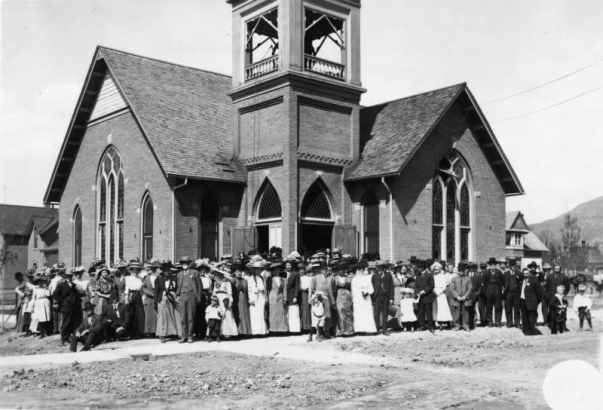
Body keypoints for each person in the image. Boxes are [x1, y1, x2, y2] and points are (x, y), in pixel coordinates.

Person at [176, 256, 202, 343]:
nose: (185, 264)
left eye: (186, 263)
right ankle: (184, 336)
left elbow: (199, 285)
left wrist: (199, 297)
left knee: (191, 316)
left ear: (189, 264)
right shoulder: (179, 274)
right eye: (183, 263)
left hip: (191, 295)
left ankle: (190, 336)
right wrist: (177, 296)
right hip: (182, 295)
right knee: (183, 317)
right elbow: (178, 286)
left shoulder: (195, 273)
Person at [53, 268, 82, 345]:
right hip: (66, 307)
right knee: (66, 322)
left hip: (73, 307)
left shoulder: (73, 285)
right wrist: (62, 302)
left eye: (71, 276)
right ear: (65, 276)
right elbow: (55, 294)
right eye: (68, 276)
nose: (70, 277)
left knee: (73, 322)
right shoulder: (61, 285)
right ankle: (64, 339)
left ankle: (71, 337)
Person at [155, 261, 181, 343]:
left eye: (168, 270)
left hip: (172, 298)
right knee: (163, 316)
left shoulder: (174, 278)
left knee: (174, 315)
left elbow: (177, 288)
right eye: (165, 270)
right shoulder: (159, 279)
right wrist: (155, 302)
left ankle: (175, 333)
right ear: (162, 270)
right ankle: (162, 335)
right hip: (162, 298)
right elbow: (156, 291)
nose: (166, 272)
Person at [311, 263, 336, 338]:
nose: (324, 271)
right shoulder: (315, 278)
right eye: (323, 269)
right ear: (320, 270)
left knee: (327, 315)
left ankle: (327, 332)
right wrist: (316, 296)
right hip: (319, 299)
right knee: (318, 315)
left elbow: (333, 289)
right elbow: (312, 288)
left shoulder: (331, 278)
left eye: (326, 269)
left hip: (327, 298)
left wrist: (332, 300)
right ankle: (318, 332)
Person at [351, 262, 377, 334]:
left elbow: (371, 289)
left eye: (362, 270)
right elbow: (353, 290)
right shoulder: (355, 279)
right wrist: (353, 299)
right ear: (358, 270)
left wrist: (367, 292)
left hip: (366, 298)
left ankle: (368, 329)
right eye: (360, 270)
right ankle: (359, 330)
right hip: (358, 298)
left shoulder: (367, 278)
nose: (361, 271)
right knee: (358, 313)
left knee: (366, 313)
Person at [371, 261, 394, 336]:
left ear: (384, 268)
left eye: (381, 268)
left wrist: (391, 298)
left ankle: (384, 330)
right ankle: (376, 329)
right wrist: (372, 298)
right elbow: (372, 287)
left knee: (385, 313)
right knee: (376, 314)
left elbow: (391, 287)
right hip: (377, 296)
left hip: (385, 297)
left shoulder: (388, 275)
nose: (380, 269)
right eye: (379, 268)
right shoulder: (374, 276)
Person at [247, 260, 269, 336]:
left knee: (261, 314)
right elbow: (249, 290)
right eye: (256, 269)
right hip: (254, 297)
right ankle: (255, 331)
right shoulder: (250, 278)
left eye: (259, 269)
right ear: (254, 270)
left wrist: (266, 298)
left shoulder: (262, 278)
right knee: (254, 314)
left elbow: (265, 288)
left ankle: (262, 331)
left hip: (261, 297)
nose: (258, 271)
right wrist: (251, 299)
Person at [520, 267, 544, 336]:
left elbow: (539, 292)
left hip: (531, 302)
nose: (526, 275)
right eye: (524, 273)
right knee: (524, 317)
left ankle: (532, 330)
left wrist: (537, 301)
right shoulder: (521, 282)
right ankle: (526, 331)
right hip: (523, 301)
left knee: (531, 318)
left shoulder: (534, 281)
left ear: (529, 274)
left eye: (527, 273)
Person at [450, 263, 473, 331]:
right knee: (456, 312)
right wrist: (457, 296)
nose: (461, 271)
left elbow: (470, 288)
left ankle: (465, 325)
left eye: (462, 270)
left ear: (465, 270)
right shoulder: (454, 279)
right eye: (460, 270)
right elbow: (452, 288)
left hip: (465, 298)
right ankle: (457, 325)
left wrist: (465, 296)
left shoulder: (468, 279)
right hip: (457, 299)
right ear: (458, 270)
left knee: (466, 312)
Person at [125, 261, 145, 338]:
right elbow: (126, 289)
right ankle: (131, 332)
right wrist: (127, 298)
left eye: (137, 270)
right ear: (131, 270)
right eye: (134, 270)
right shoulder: (128, 278)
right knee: (131, 313)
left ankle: (139, 332)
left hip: (138, 295)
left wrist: (143, 298)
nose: (135, 271)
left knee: (139, 314)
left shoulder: (140, 278)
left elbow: (142, 289)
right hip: (131, 295)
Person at [266, 262, 288, 333]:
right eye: (275, 270)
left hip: (280, 297)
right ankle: (273, 329)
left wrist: (285, 298)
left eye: (278, 270)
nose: (276, 271)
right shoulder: (270, 279)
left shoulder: (283, 279)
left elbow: (285, 290)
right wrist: (267, 299)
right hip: (272, 297)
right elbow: (267, 289)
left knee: (281, 313)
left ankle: (281, 329)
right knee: (273, 314)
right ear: (273, 271)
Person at [333, 263, 354, 336]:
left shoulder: (347, 278)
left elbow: (350, 287)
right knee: (340, 311)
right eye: (339, 270)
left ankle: (349, 330)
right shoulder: (335, 278)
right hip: (339, 295)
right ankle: (341, 330)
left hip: (346, 295)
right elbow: (333, 289)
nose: (341, 271)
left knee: (348, 312)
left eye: (342, 270)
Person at [415, 260, 436, 333]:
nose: (418, 269)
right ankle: (422, 325)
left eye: (419, 268)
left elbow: (432, 285)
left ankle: (431, 326)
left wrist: (424, 291)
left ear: (422, 268)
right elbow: (416, 286)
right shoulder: (417, 276)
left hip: (428, 297)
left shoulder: (429, 275)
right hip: (420, 298)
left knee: (429, 313)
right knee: (421, 312)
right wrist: (417, 292)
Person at [482, 257, 504, 327]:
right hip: (489, 292)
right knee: (489, 308)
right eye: (491, 264)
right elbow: (484, 283)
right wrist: (485, 292)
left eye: (494, 264)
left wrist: (501, 292)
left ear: (496, 265)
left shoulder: (499, 272)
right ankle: (490, 322)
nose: (493, 265)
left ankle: (497, 322)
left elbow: (501, 283)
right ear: (489, 265)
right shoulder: (486, 272)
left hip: (497, 292)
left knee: (498, 307)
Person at [432, 262, 453, 330]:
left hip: (441, 293)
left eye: (437, 269)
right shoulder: (432, 276)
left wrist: (439, 292)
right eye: (435, 269)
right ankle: (436, 321)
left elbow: (444, 286)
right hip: (434, 293)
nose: (436, 271)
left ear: (440, 270)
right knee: (435, 309)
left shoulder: (442, 276)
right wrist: (433, 291)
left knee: (442, 309)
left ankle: (444, 322)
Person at [141, 260, 159, 337]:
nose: (152, 270)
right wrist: (150, 293)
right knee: (149, 315)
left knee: (156, 314)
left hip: (157, 298)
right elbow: (143, 288)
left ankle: (156, 331)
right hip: (149, 298)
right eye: (151, 268)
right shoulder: (146, 277)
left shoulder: (158, 277)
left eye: (154, 269)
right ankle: (149, 331)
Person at [503, 259, 523, 328]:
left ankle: (517, 323)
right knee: (508, 308)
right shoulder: (506, 274)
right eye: (512, 265)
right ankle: (509, 323)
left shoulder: (519, 273)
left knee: (517, 309)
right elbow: (503, 284)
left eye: (514, 265)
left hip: (516, 293)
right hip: (508, 293)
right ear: (509, 266)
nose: (513, 266)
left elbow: (521, 283)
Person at [233, 263, 252, 336]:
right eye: (237, 272)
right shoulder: (233, 280)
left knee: (245, 313)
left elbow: (247, 291)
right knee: (239, 314)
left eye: (240, 272)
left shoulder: (245, 280)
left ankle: (246, 331)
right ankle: (239, 331)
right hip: (237, 298)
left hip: (244, 298)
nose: (239, 273)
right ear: (234, 272)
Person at [284, 260, 301, 334]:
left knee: (293, 312)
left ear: (292, 266)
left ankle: (294, 330)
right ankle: (286, 329)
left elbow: (297, 285)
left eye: (289, 265)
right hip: (284, 295)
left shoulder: (295, 274)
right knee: (286, 312)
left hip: (292, 295)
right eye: (287, 265)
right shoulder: (283, 273)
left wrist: (295, 296)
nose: (288, 266)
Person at [390, 263, 406, 330]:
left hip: (403, 293)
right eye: (398, 268)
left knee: (402, 308)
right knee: (396, 308)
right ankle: (396, 325)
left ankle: (402, 324)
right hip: (396, 292)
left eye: (400, 268)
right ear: (395, 269)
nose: (400, 269)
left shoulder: (403, 275)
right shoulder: (393, 276)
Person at [299, 264, 313, 332]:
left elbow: (310, 287)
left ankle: (307, 327)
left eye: (302, 269)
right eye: (300, 269)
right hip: (299, 294)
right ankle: (300, 327)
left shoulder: (308, 278)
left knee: (306, 310)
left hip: (306, 294)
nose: (301, 271)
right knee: (300, 310)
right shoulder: (297, 277)